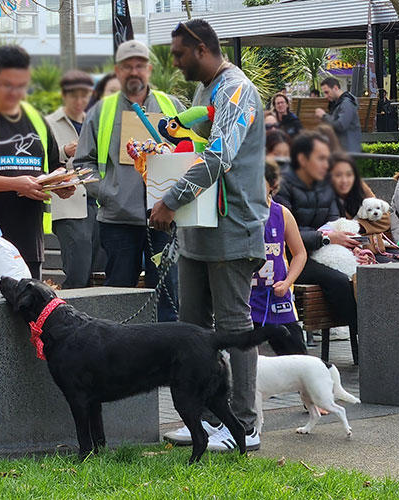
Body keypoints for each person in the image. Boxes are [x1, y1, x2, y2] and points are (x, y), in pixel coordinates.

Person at [154, 19, 267, 452]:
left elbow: (219, 156)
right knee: (192, 329)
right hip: (199, 226)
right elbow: (196, 150)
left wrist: (171, 198)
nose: (176, 63)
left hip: (233, 224)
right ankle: (203, 419)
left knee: (234, 326)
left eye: (180, 54)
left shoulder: (236, 90)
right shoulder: (205, 91)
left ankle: (244, 424)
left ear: (201, 48)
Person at [73, 39, 185, 321]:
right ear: (117, 72)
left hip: (165, 218)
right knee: (119, 299)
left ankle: (165, 356)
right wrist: (107, 194)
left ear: (149, 69)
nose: (134, 72)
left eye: (139, 66)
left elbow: (192, 154)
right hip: (118, 223)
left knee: (168, 295)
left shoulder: (172, 106)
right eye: (127, 67)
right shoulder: (101, 111)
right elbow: (82, 164)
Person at [0, 45, 74, 296]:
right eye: (8, 85)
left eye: (21, 85)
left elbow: (55, 163)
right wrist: (16, 184)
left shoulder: (36, 119)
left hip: (29, 241)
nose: (15, 92)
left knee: (26, 322)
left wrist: (61, 183)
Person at [273, 132, 360, 359]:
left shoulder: (325, 186)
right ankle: (365, 333)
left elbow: (333, 224)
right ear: (302, 159)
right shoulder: (283, 186)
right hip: (291, 258)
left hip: (324, 251)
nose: (327, 164)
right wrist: (326, 238)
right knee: (338, 281)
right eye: (321, 158)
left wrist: (351, 243)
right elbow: (286, 233)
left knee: (375, 268)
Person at [45, 70, 100, 288]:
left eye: (84, 96)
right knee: (77, 272)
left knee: (96, 272)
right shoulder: (48, 123)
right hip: (69, 206)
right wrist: (63, 152)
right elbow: (41, 161)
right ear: (63, 95)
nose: (79, 101)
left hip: (98, 202)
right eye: (73, 96)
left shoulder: (95, 121)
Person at [249, 162, 308, 356]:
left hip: (277, 296)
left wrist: (288, 281)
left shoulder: (281, 213)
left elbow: (300, 253)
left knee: (298, 357)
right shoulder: (236, 214)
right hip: (245, 298)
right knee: (243, 361)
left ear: (272, 184)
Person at [315, 77, 362, 153]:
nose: (326, 96)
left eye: (327, 92)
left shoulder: (346, 103)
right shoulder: (339, 103)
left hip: (348, 151)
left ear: (335, 88)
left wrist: (324, 116)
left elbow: (341, 125)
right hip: (345, 150)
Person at [329, 153, 375, 219]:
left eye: (349, 175)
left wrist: (358, 225)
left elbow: (384, 216)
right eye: (338, 175)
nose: (344, 180)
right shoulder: (323, 195)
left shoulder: (360, 186)